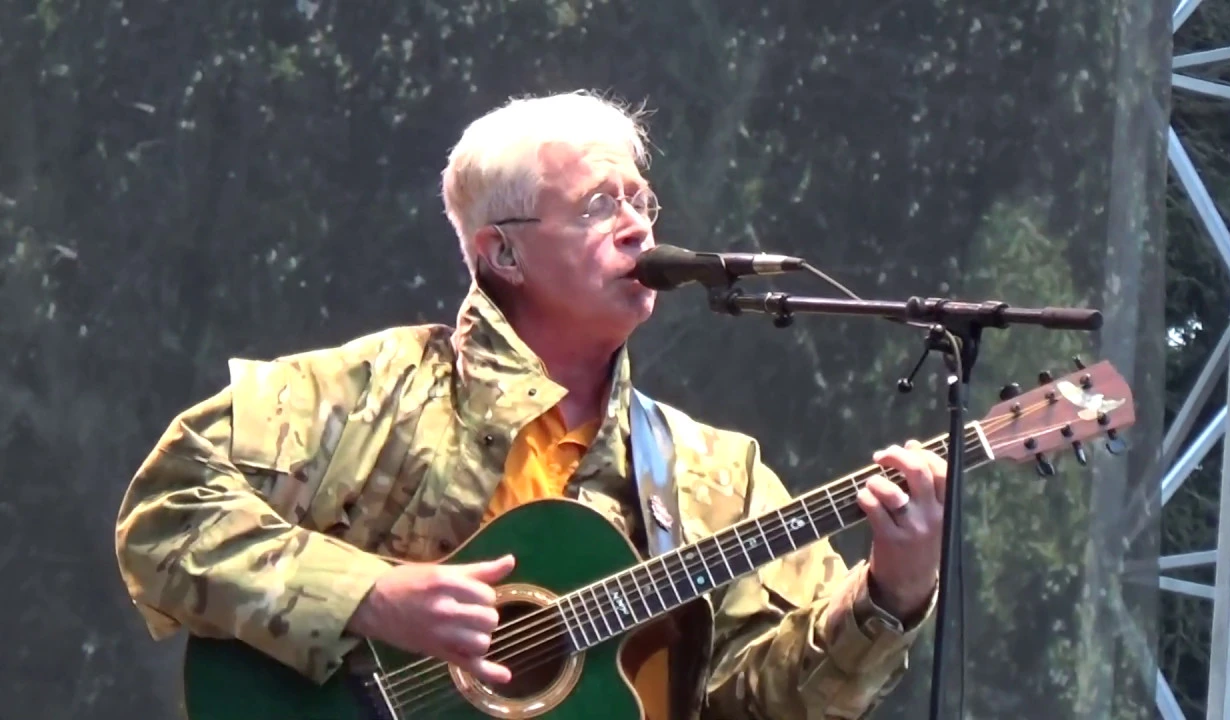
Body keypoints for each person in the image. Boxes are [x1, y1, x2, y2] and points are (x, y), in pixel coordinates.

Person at [114, 90, 947, 720]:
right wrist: (371, 597)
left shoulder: (712, 474)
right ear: (501, 252)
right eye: (597, 205)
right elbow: (165, 514)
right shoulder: (367, 391)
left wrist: (891, 595)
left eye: (640, 201)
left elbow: (759, 705)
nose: (634, 226)